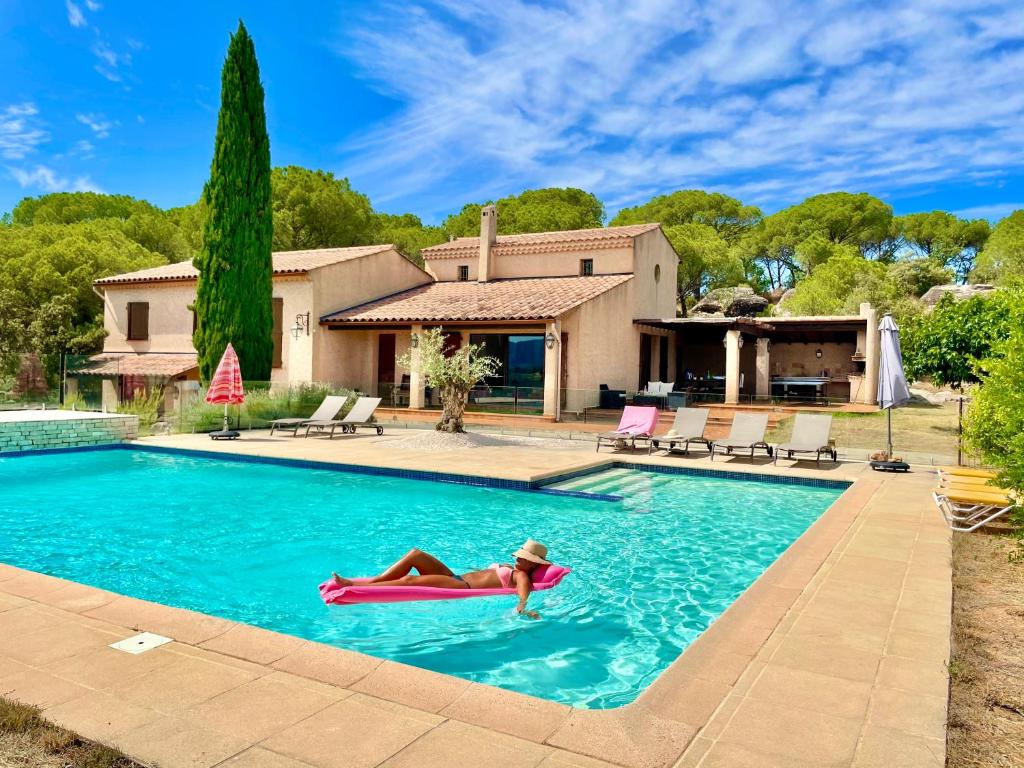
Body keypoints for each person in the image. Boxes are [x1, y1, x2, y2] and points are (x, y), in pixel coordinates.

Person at [329, 539, 551, 619]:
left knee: (409, 581)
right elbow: (487, 574)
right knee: (416, 554)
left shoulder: (521, 575)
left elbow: (523, 594)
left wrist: (523, 608)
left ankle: (354, 586)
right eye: (520, 556)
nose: (520, 560)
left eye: (525, 558)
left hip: (461, 586)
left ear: (534, 564)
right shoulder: (510, 567)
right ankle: (375, 580)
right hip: (454, 576)